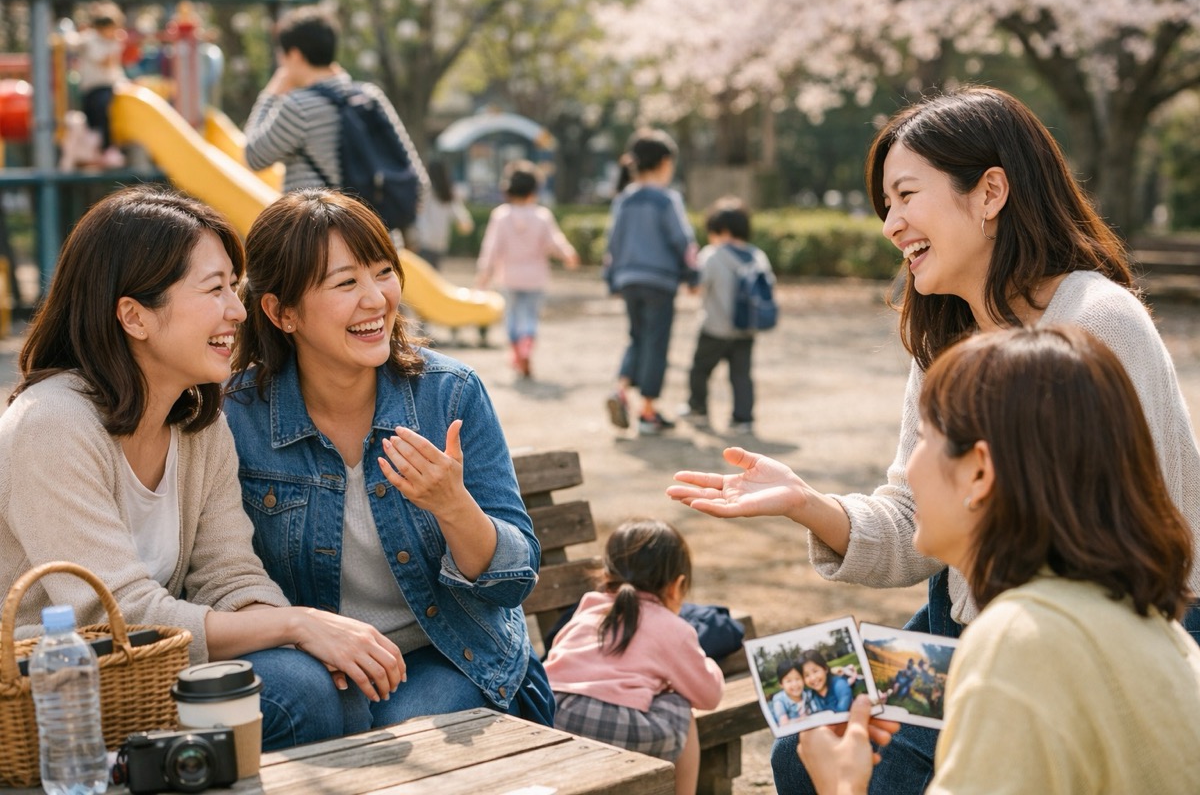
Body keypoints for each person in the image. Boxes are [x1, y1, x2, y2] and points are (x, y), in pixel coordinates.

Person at [665, 85, 1200, 793]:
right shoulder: (949, 331)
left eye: (906, 195)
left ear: (990, 193)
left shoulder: (1095, 324)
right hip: (975, 617)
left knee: (862, 768)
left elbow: (1123, 553)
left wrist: (982, 660)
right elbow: (917, 516)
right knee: (805, 737)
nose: (892, 224)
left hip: (1098, 632)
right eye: (886, 204)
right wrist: (806, 503)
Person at [0, 186, 405, 751]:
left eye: (233, 291)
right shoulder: (52, 424)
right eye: (215, 290)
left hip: (153, 674)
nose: (237, 312)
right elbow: (118, 614)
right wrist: (297, 625)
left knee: (328, 685)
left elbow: (229, 574)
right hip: (59, 695)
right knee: (305, 694)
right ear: (134, 316)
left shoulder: (198, 423)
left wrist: (306, 643)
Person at [797, 325, 1200, 795]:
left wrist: (841, 786)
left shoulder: (1018, 642)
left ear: (980, 470)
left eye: (924, 438)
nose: (909, 467)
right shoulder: (1144, 621)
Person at [224, 188, 554, 732]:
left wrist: (453, 506)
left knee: (402, 730)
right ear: (282, 313)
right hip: (316, 660)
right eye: (346, 282)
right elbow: (218, 575)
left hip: (452, 654)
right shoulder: (237, 417)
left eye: (383, 272)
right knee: (315, 713)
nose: (376, 299)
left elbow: (513, 582)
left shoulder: (448, 395)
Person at [544, 518, 724, 795]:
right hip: (610, 724)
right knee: (680, 706)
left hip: (551, 717)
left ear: (606, 576)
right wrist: (708, 663)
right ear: (677, 586)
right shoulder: (672, 627)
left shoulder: (588, 608)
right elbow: (709, 696)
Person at [243, 7, 427, 221]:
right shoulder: (369, 96)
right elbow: (418, 179)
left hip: (320, 241)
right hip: (377, 241)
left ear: (295, 55)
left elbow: (252, 156)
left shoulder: (298, 106)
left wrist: (270, 95)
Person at [603, 128, 699, 435]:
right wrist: (693, 275)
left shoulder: (624, 200)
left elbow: (613, 243)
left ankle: (621, 389)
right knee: (656, 343)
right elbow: (682, 240)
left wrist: (612, 278)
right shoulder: (666, 200)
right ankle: (647, 411)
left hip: (629, 279)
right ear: (665, 163)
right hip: (660, 281)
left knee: (637, 337)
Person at [475, 160, 580, 379]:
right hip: (535, 278)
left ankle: (516, 351)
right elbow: (555, 242)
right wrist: (568, 254)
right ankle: (527, 345)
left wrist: (484, 274)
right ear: (535, 190)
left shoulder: (501, 216)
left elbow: (491, 248)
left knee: (512, 316)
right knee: (530, 316)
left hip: (509, 277)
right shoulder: (542, 216)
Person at [681, 197, 775, 434]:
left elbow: (695, 288)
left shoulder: (712, 255)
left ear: (720, 230)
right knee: (741, 376)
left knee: (700, 370)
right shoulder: (757, 255)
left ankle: (698, 409)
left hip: (714, 328)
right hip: (746, 329)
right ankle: (743, 419)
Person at [70, 0, 127, 166]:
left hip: (108, 85)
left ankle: (108, 148)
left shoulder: (111, 41)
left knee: (105, 111)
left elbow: (111, 63)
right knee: (95, 115)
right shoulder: (92, 39)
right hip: (93, 86)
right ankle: (100, 148)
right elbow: (103, 60)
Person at [415, 158, 474, 270]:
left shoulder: (425, 190)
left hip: (423, 241)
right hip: (440, 243)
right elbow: (464, 221)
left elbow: (418, 213)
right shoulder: (448, 194)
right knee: (433, 278)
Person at [797, 650, 853, 714]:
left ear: (825, 669)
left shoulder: (839, 685)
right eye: (807, 675)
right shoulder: (810, 696)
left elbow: (841, 712)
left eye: (815, 671)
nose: (813, 678)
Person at [770, 658, 810, 726]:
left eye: (797, 679)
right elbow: (784, 723)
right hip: (791, 734)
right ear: (781, 684)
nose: (795, 684)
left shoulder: (808, 694)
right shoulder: (780, 700)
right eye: (789, 681)